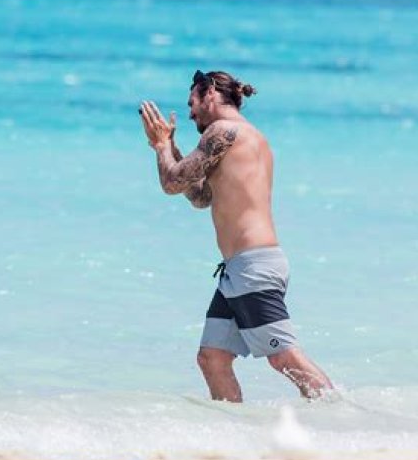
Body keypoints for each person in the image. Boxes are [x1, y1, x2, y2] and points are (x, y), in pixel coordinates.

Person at [139, 70, 333, 402]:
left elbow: (171, 183)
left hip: (252, 267)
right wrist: (170, 147)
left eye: (192, 102)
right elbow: (200, 196)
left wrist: (160, 146)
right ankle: (233, 428)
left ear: (210, 92)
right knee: (212, 358)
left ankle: (340, 414)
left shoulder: (223, 131)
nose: (190, 113)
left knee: (283, 357)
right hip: (239, 269)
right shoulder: (247, 136)